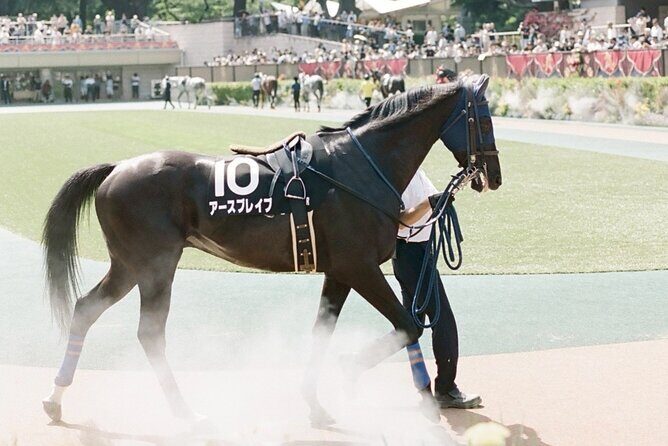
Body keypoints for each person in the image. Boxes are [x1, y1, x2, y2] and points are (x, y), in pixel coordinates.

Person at [394, 169, 482, 409]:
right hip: (410, 255)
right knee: (443, 320)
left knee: (410, 328)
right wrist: (429, 203)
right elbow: (400, 223)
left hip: (422, 254)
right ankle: (446, 389)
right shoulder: (396, 176)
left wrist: (455, 188)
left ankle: (357, 362)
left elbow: (435, 202)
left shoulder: (417, 172)